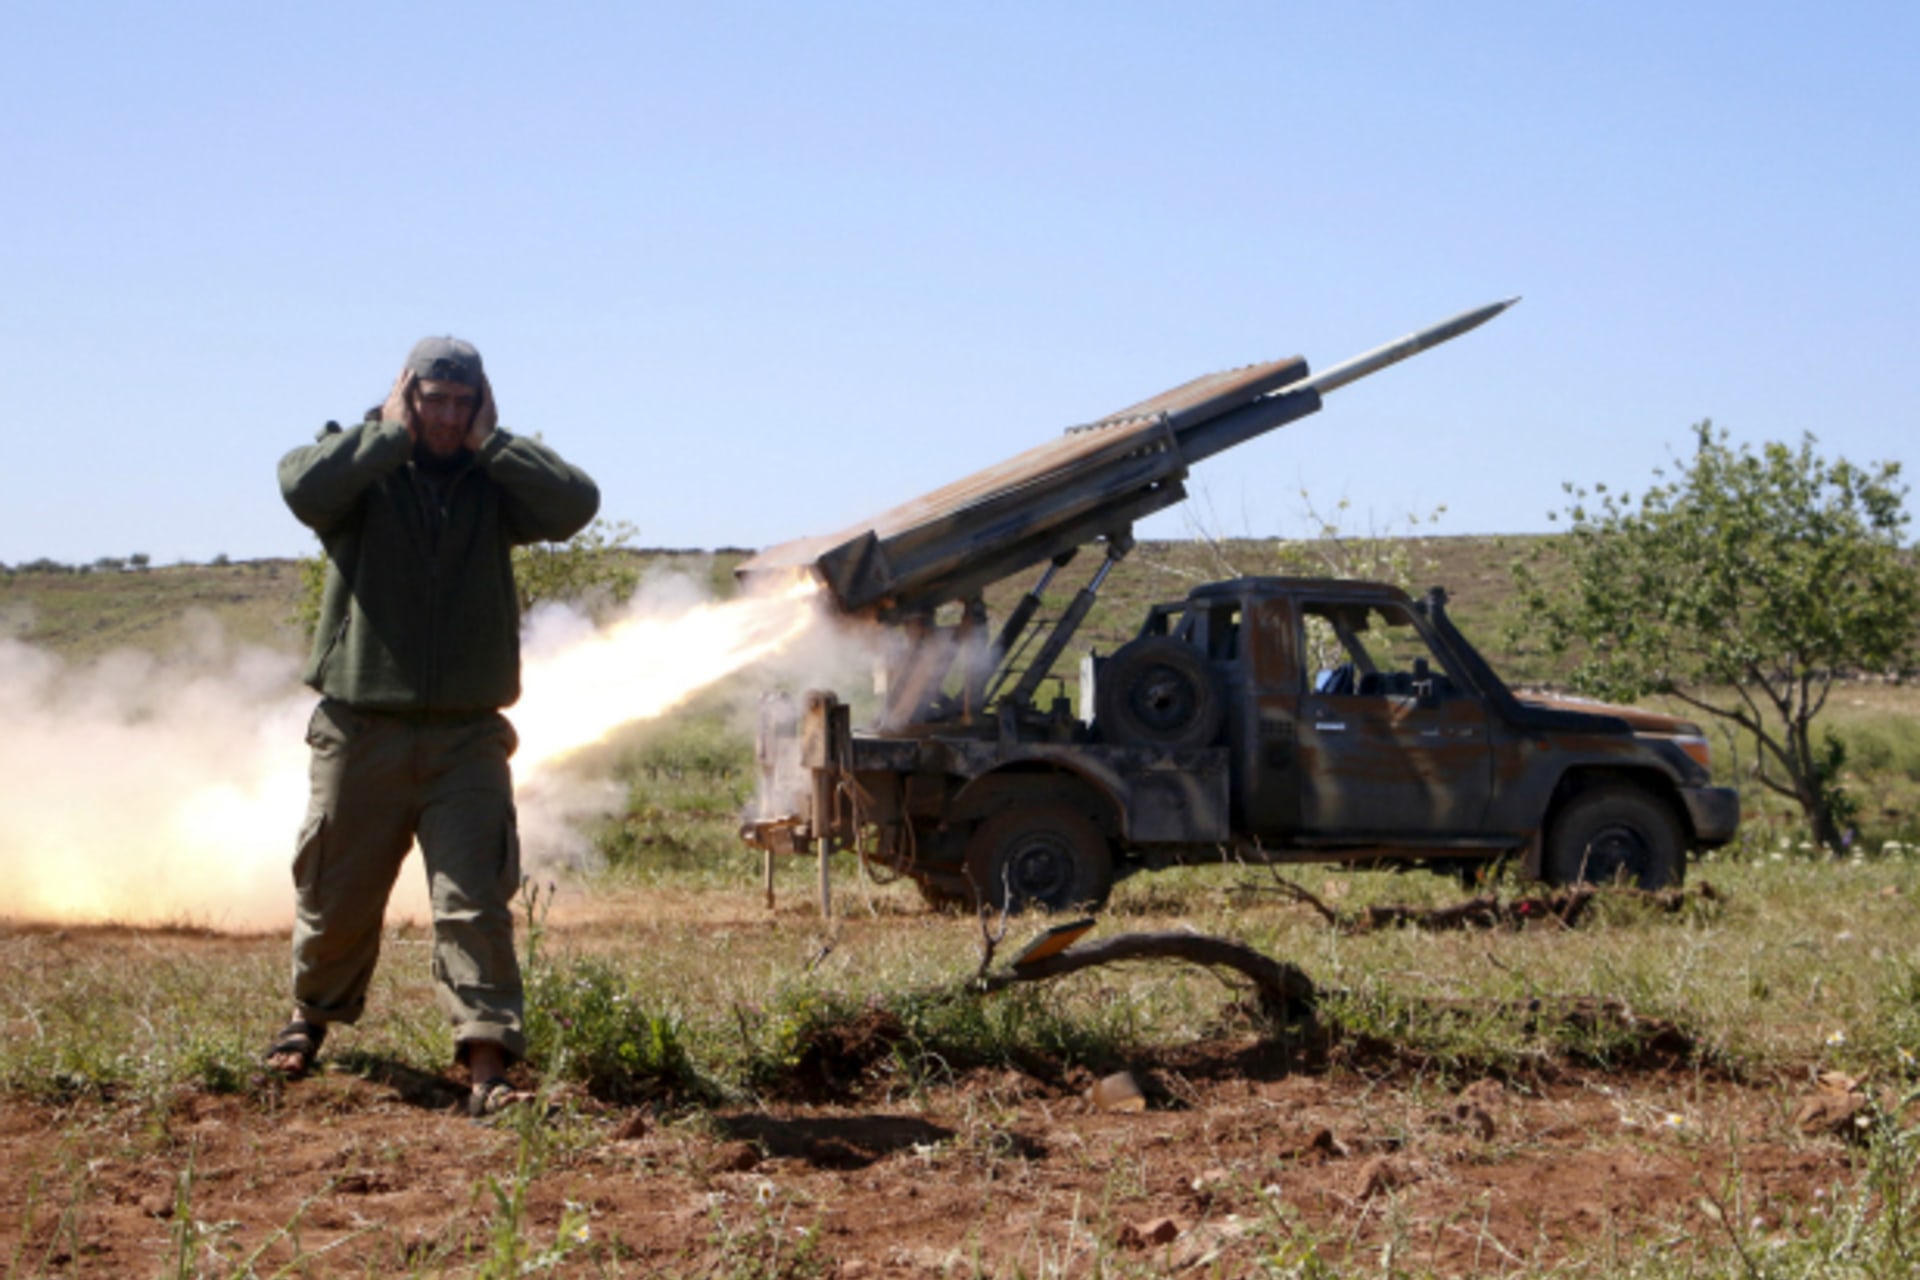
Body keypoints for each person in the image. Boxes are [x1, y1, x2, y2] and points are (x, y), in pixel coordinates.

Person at [264, 336, 600, 1116]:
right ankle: (309, 1019)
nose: (447, 418)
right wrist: (385, 436)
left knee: (474, 900)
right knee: (336, 893)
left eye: (462, 403)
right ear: (405, 395)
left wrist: (495, 445)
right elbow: (301, 489)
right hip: (360, 729)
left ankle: (487, 1064)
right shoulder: (359, 469)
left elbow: (576, 505)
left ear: (481, 403)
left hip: (466, 736)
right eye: (434, 400)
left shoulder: (495, 482)